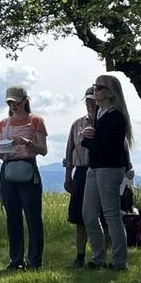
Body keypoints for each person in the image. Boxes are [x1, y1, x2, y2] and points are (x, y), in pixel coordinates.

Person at [80, 74, 133, 270]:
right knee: (88, 215)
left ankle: (119, 262)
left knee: (111, 215)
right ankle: (98, 258)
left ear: (111, 94)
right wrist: (89, 136)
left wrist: (87, 140)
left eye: (100, 87)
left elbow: (107, 146)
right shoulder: (98, 114)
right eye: (95, 86)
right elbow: (100, 142)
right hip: (94, 168)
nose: (95, 90)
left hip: (110, 168)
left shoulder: (116, 117)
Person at [0, 85, 49, 271]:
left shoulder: (36, 121)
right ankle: (16, 259)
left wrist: (28, 144)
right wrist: (3, 151)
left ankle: (34, 260)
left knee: (33, 216)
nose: (13, 106)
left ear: (25, 101)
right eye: (10, 103)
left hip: (28, 168)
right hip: (9, 169)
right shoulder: (3, 124)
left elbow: (43, 149)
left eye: (17, 102)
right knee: (13, 216)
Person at [62, 88, 98, 268]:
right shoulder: (77, 124)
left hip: (100, 170)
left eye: (94, 100)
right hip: (81, 172)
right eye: (88, 101)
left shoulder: (107, 122)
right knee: (79, 217)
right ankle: (80, 256)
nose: (91, 104)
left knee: (102, 215)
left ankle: (100, 255)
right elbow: (69, 150)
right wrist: (68, 175)